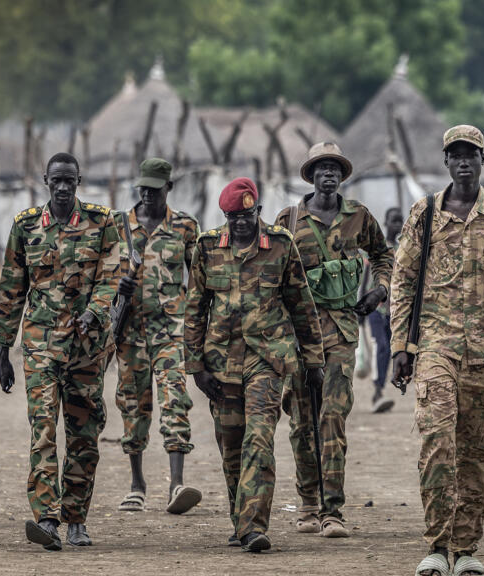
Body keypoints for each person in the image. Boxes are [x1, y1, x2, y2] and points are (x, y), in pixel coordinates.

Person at [390, 125, 484, 576]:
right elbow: (403, 281)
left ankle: (466, 547)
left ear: (482, 160)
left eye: (471, 155)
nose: (463, 162)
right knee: (437, 441)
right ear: (445, 162)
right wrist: (401, 345)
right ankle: (436, 545)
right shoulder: (425, 213)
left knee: (477, 447)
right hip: (436, 346)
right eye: (455, 155)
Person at [185, 177, 325, 552]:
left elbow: (301, 304)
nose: (240, 222)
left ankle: (253, 526)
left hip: (267, 357)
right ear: (225, 216)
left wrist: (313, 359)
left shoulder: (280, 245)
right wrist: (195, 366)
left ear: (258, 211)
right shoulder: (207, 247)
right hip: (220, 363)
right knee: (231, 443)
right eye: (233, 217)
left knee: (259, 438)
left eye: (246, 215)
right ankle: (239, 518)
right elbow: (195, 307)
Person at [0, 152, 121, 550]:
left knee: (84, 433)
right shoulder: (26, 225)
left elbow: (111, 276)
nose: (63, 187)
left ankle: (76, 518)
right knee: (43, 430)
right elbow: (12, 288)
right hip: (40, 346)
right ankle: (46, 518)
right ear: (45, 180)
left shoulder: (102, 223)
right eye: (56, 180)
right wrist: (3, 350)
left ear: (79, 180)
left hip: (87, 348)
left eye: (70, 180)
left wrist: (95, 313)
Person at [274, 142, 393, 538]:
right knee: (300, 421)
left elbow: (383, 255)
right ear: (310, 175)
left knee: (333, 418)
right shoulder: (288, 220)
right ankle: (307, 503)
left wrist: (380, 290)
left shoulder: (358, 216)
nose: (329, 174)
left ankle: (332, 510)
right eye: (321, 167)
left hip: (342, 331)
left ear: (343, 175)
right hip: (298, 335)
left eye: (335, 168)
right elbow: (271, 274)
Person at [114, 158, 202, 515]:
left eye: (155, 189)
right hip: (130, 331)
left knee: (175, 400)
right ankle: (137, 484)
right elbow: (103, 274)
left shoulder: (184, 227)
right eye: (143, 189)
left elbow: (198, 281)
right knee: (133, 406)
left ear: (169, 188)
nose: (148, 195)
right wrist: (116, 286)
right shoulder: (119, 226)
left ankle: (176, 483)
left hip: (171, 330)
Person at [365, 206, 403, 414]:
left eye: (400, 221)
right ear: (386, 223)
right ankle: (378, 391)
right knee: (382, 347)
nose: (397, 225)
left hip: (395, 311)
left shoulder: (403, 248)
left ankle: (380, 388)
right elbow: (365, 277)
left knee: (390, 350)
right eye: (393, 221)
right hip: (376, 309)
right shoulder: (378, 246)